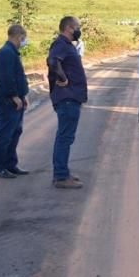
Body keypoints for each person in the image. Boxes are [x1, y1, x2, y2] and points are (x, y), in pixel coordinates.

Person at [47, 16, 88, 189]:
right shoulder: (61, 44)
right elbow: (52, 61)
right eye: (77, 27)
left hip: (70, 98)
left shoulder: (65, 45)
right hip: (67, 98)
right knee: (65, 138)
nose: (79, 30)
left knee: (65, 137)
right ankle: (61, 177)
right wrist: (62, 78)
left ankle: (62, 173)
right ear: (69, 28)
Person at [0, 24, 30, 179]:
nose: (24, 41)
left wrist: (23, 95)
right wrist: (14, 96)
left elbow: (17, 77)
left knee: (15, 133)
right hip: (7, 101)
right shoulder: (6, 52)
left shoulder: (13, 52)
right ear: (18, 36)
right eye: (23, 38)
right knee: (5, 135)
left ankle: (10, 165)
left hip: (16, 100)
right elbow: (6, 77)